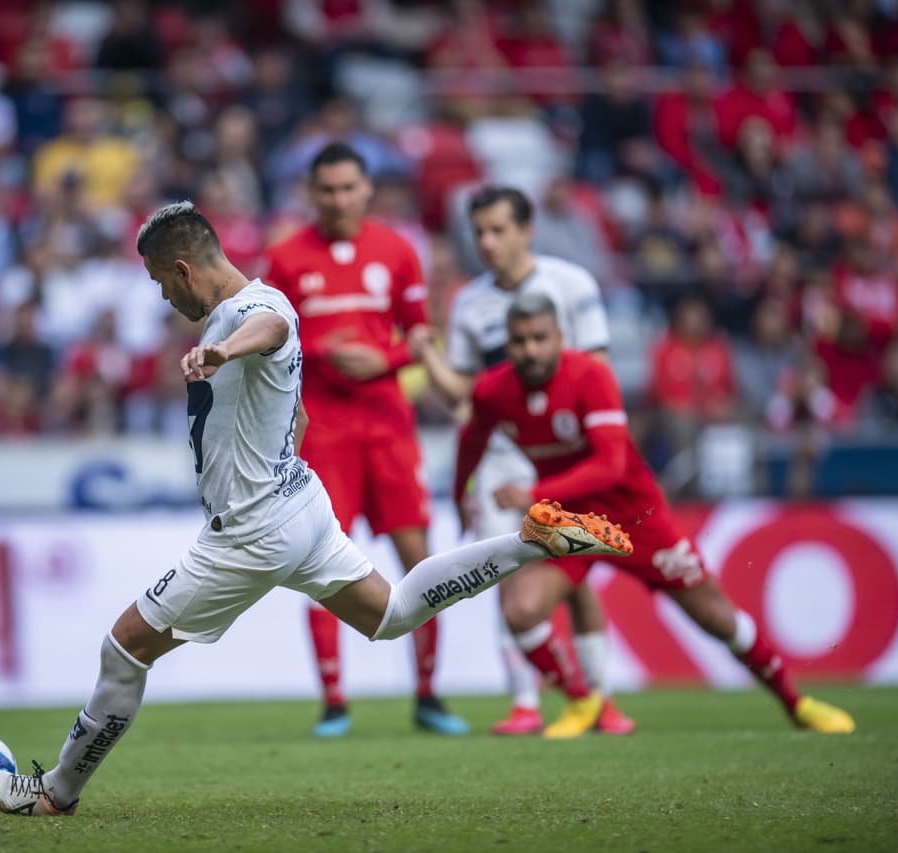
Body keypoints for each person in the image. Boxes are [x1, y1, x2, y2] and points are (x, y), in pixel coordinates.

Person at [0, 202, 632, 816]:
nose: (162, 297)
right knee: (394, 613)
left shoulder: (245, 313)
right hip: (300, 506)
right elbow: (295, 393)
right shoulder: (256, 300)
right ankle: (530, 541)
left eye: (159, 281)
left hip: (250, 532)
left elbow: (273, 329)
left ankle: (56, 791)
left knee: (124, 648)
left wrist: (222, 350)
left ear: (181, 268)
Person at [452, 292, 856, 738]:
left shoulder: (590, 376)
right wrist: (459, 494)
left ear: (560, 338)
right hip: (570, 522)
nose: (530, 349)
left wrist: (534, 491)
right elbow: (471, 444)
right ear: (507, 345)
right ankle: (584, 700)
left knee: (718, 620)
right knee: (520, 611)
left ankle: (797, 704)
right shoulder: (493, 390)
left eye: (539, 338)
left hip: (635, 517)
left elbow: (610, 466)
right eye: (520, 340)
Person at [413, 186, 634, 736]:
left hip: (565, 458)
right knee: (505, 577)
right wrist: (425, 356)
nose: (487, 242)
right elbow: (467, 397)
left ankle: (600, 700)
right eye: (479, 232)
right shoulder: (470, 302)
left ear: (525, 229)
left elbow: (597, 372)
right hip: (498, 464)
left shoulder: (571, 285)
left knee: (577, 580)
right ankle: (526, 702)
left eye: (497, 230)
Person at [263, 142, 467, 737]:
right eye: (327, 190)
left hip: (388, 427)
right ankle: (334, 702)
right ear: (312, 193)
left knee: (420, 562)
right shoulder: (284, 260)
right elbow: (272, 340)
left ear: (367, 189)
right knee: (321, 562)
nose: (339, 199)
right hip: (322, 431)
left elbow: (421, 337)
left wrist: (382, 359)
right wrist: (323, 352)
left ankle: (429, 695)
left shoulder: (399, 250)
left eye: (349, 188)